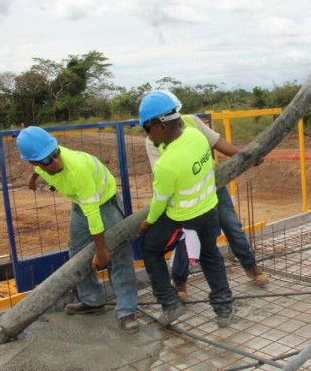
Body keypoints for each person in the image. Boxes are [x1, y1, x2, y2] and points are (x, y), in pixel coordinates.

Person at [144, 91, 268, 301]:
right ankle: (181, 283)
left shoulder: (191, 123)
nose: (147, 132)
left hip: (211, 186)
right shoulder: (153, 141)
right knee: (188, 239)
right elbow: (162, 176)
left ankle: (250, 267)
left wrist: (244, 157)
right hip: (185, 199)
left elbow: (216, 142)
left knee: (231, 226)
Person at [16, 126, 139, 333]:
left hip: (105, 205)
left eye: (56, 154)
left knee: (118, 255)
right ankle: (92, 301)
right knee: (77, 252)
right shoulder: (41, 160)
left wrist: (101, 251)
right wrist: (33, 178)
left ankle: (127, 310)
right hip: (80, 206)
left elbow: (94, 214)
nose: (56, 161)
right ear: (34, 162)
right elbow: (39, 165)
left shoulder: (76, 168)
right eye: (47, 161)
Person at [137, 91, 234, 328]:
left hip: (182, 217)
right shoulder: (195, 135)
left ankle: (170, 304)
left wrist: (148, 222)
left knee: (150, 249)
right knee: (211, 255)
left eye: (146, 130)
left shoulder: (166, 165)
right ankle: (224, 309)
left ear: (159, 126)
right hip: (209, 209)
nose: (147, 137)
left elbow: (160, 202)